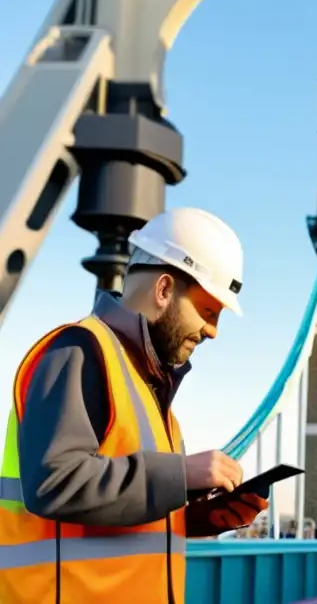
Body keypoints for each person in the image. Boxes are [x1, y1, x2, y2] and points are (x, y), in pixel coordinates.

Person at [0, 207, 269, 604]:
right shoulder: (79, 351)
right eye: (209, 311)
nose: (213, 331)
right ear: (163, 290)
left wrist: (199, 514)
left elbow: (115, 509)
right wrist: (180, 474)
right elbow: (54, 484)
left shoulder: (148, 387)